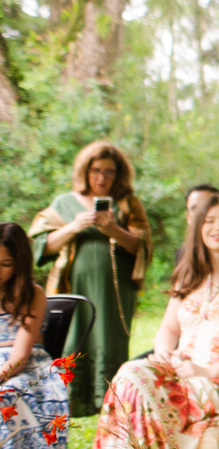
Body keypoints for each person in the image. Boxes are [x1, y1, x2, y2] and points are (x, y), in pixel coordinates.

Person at [91, 194, 219, 449]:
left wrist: (209, 371)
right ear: (198, 229)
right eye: (210, 221)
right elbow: (168, 328)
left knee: (148, 396)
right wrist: (164, 354)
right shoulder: (189, 273)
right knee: (128, 375)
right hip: (180, 369)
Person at [30, 141, 152, 416]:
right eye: (96, 170)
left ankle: (111, 406)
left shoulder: (127, 203)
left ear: (119, 174)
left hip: (115, 296)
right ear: (85, 171)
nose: (102, 177)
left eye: (109, 172)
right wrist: (75, 226)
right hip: (74, 289)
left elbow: (143, 247)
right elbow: (42, 246)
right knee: (72, 342)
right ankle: (68, 403)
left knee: (111, 343)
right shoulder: (64, 203)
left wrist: (114, 229)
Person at [0, 223, 69, 449]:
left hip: (24, 367)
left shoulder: (32, 295)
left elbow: (19, 356)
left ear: (19, 262)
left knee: (5, 398)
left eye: (5, 263)